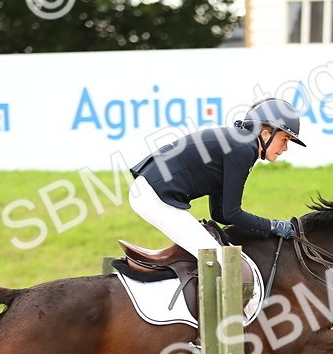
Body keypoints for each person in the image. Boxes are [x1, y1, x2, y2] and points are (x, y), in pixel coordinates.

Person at [127, 97, 303, 262]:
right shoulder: (244, 148)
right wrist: (272, 226)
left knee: (214, 253)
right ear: (266, 135)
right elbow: (232, 213)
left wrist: (265, 227)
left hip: (151, 192)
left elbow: (220, 213)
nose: (285, 148)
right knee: (216, 259)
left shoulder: (240, 144)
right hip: (154, 196)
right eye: (284, 139)